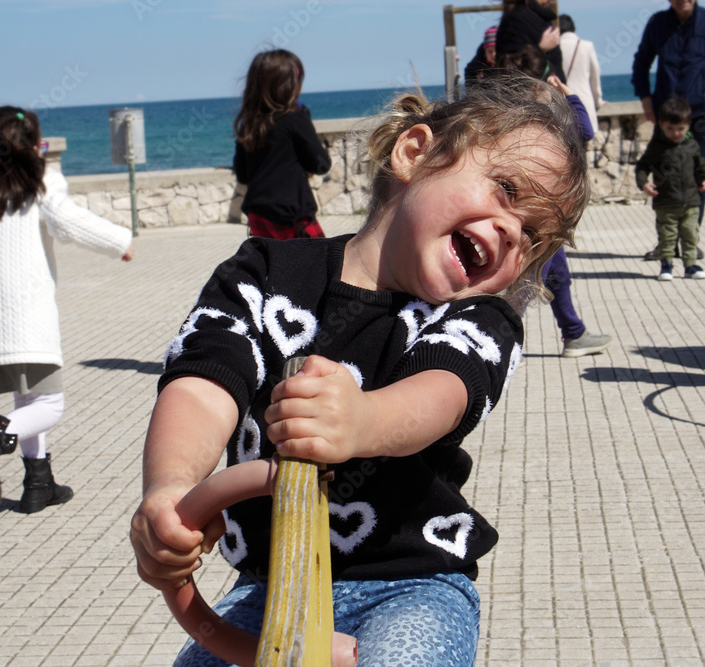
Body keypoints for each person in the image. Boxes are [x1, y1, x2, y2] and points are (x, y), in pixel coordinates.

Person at [129, 74, 589, 666]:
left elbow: (444, 391)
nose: (510, 232)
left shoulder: (480, 318)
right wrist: (171, 488)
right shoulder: (262, 272)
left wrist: (366, 418)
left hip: (412, 586)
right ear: (415, 153)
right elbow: (204, 381)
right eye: (505, 190)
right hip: (270, 590)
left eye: (531, 236)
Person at [0, 106, 134, 513]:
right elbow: (68, 221)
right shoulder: (38, 182)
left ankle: (39, 482)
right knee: (50, 405)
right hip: (27, 322)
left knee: (28, 398)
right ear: (30, 147)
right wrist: (120, 242)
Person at [498, 45, 611, 356]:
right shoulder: (548, 120)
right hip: (544, 211)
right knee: (530, 279)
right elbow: (585, 131)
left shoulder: (506, 115)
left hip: (523, 207)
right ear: (539, 86)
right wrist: (570, 95)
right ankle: (498, 334)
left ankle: (573, 332)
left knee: (556, 270)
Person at [632, 0, 705, 260]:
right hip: (666, 118)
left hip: (701, 118)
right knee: (663, 177)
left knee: (698, 178)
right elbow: (641, 62)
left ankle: (690, 241)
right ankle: (666, 243)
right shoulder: (657, 23)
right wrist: (645, 98)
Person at [233, 49, 332, 240]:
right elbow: (321, 164)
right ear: (290, 86)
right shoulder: (295, 118)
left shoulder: (249, 123)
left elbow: (244, 175)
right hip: (292, 217)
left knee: (277, 268)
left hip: (258, 216)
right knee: (323, 265)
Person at [635, 97, 705, 281]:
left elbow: (701, 167)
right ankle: (666, 265)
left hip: (691, 202)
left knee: (690, 234)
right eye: (670, 128)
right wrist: (644, 183)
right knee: (667, 236)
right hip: (665, 202)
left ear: (688, 125)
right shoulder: (657, 147)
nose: (675, 133)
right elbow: (642, 167)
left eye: (680, 129)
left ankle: (691, 266)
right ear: (661, 125)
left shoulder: (692, 145)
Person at [558, 14, 604, 138]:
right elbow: (595, 77)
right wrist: (598, 101)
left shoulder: (555, 46)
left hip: (562, 103)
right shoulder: (587, 46)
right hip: (584, 102)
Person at [496, 0, 565, 83]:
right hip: (529, 90)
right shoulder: (515, 20)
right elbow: (509, 65)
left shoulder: (542, 17)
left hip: (549, 89)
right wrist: (540, 48)